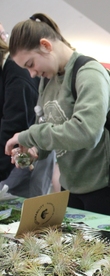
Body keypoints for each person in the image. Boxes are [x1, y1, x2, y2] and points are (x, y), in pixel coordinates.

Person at [5, 13, 110, 214]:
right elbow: (46, 128)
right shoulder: (48, 80)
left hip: (105, 188)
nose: (32, 74)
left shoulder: (89, 73)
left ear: (45, 45)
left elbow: (86, 133)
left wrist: (28, 135)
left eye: (30, 64)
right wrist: (33, 151)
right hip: (70, 187)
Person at [0, 22, 54, 198]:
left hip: (27, 155)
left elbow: (16, 123)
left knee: (24, 216)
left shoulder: (16, 71)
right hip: (14, 154)